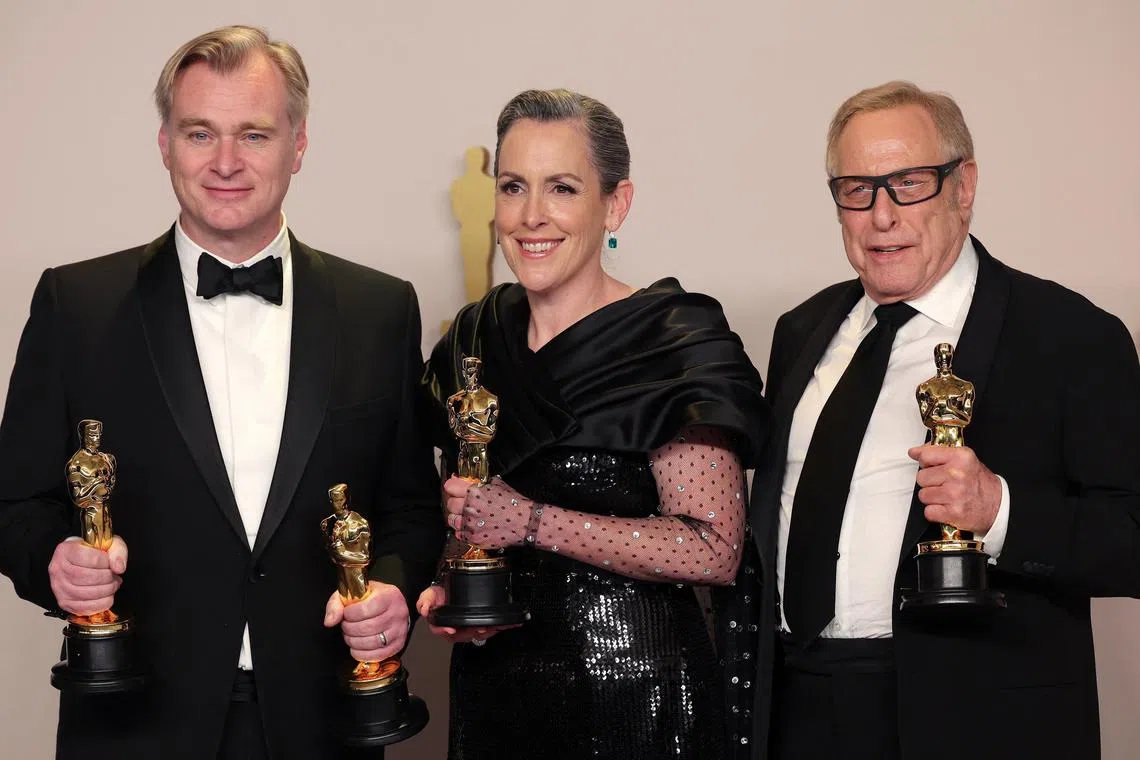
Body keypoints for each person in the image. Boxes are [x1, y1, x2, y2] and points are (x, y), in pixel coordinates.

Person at [0, 25, 442, 760]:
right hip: (133, 725)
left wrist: (391, 590)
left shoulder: (381, 309)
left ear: (298, 146)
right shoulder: (75, 304)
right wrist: (54, 558)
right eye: (200, 133)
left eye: (255, 135)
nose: (227, 163)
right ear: (165, 143)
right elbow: (14, 501)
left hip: (323, 726)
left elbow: (409, 510)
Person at [749, 80, 1140, 760]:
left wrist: (1000, 511)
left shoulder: (1070, 335)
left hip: (977, 721)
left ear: (965, 186)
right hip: (798, 707)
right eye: (857, 188)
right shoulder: (802, 330)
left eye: (909, 183)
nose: (881, 216)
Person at [417, 88, 769, 760]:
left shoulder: (673, 341)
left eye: (563, 188)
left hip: (639, 697)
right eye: (514, 186)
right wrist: (451, 583)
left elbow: (713, 550)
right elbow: (466, 514)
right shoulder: (473, 339)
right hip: (497, 694)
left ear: (616, 204)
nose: (531, 216)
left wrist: (529, 523)